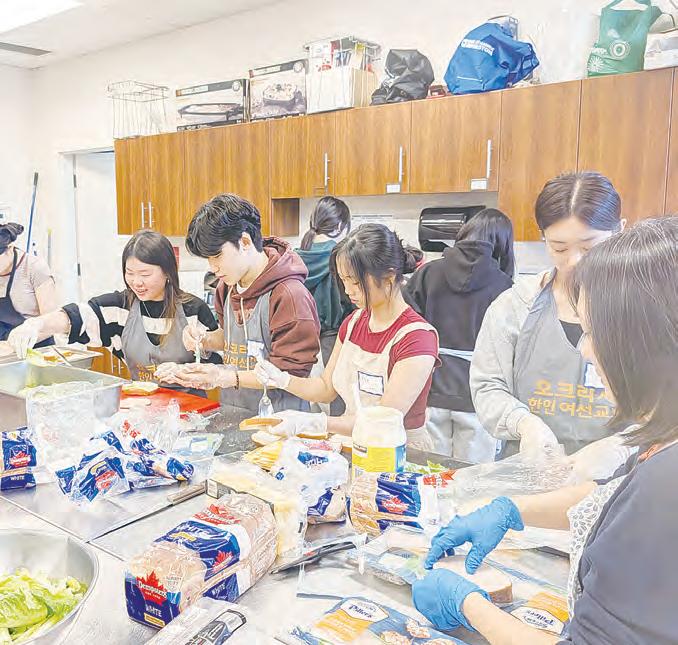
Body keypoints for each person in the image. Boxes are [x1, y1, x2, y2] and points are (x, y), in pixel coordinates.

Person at [413, 217, 678, 645]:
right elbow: (611, 496)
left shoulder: (666, 486)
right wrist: (511, 510)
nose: (584, 350)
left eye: (591, 332)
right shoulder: (661, 444)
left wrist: (469, 605)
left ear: (643, 342)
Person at [470, 172, 624, 459]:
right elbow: (488, 386)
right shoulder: (515, 305)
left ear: (619, 232)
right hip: (530, 470)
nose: (575, 261)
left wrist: (622, 448)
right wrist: (524, 424)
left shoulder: (647, 309)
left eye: (589, 246)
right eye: (559, 248)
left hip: (618, 477)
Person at [255, 223, 440, 450]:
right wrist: (282, 379)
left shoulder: (417, 338)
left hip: (399, 453)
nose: (348, 290)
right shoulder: (353, 323)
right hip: (352, 444)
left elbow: (382, 422)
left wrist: (315, 422)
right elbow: (325, 388)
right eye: (343, 280)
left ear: (389, 278)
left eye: (355, 282)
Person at [160, 193, 320, 420]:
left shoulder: (289, 295)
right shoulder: (227, 287)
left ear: (245, 242)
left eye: (217, 255)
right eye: (208, 259)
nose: (213, 267)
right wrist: (204, 339)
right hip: (235, 415)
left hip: (281, 423)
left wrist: (225, 377)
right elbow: (232, 337)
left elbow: (288, 375)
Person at [7, 230, 219, 394]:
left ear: (168, 272)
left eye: (145, 274)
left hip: (194, 412)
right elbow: (77, 316)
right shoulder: (119, 308)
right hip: (142, 408)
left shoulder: (194, 310)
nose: (136, 282)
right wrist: (36, 325)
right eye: (130, 273)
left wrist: (183, 371)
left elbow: (218, 366)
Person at [405, 208, 515, 462]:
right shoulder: (504, 286)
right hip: (479, 398)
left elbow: (407, 329)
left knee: (429, 473)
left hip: (429, 392)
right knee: (473, 477)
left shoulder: (427, 273)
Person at [297, 196, 353, 415]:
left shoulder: (294, 258)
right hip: (333, 340)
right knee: (337, 405)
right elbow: (350, 300)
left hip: (301, 342)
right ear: (340, 227)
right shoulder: (340, 256)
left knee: (308, 408)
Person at [0, 222, 57, 345]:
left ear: (10, 249)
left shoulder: (34, 268)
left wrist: (15, 344)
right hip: (4, 344)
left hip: (36, 345)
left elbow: (52, 323)